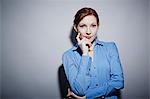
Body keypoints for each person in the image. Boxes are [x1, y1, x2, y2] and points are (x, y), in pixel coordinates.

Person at [62, 7, 124, 99]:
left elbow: (119, 83)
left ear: (98, 26)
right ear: (76, 28)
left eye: (93, 25)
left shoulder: (110, 47)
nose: (88, 31)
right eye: (83, 26)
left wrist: (88, 96)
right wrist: (85, 54)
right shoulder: (68, 56)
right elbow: (80, 90)